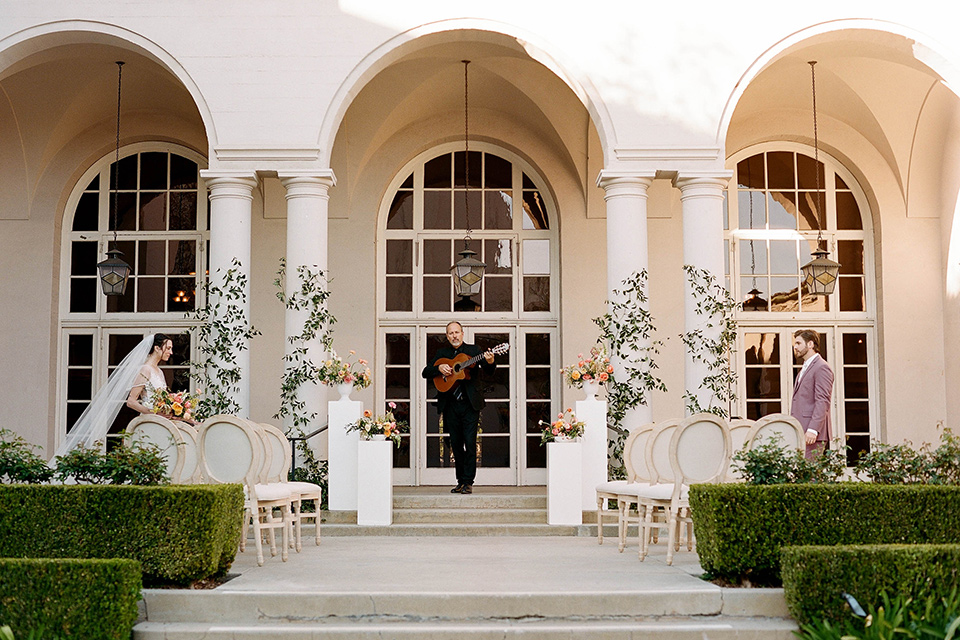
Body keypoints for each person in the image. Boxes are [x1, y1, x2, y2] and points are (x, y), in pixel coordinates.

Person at [421, 321, 496, 494]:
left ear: (462, 333)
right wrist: (439, 368)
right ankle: (460, 481)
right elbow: (426, 372)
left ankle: (468, 482)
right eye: (450, 333)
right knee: (455, 444)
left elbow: (489, 370)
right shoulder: (442, 353)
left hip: (470, 404)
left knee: (470, 443)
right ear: (447, 336)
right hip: (450, 405)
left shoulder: (474, 351)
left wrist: (490, 361)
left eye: (457, 332)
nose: (454, 336)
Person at [790, 329, 834, 459]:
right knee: (803, 476)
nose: (795, 347)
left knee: (811, 477)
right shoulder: (805, 368)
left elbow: (823, 401)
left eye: (798, 343)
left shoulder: (821, 367)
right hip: (801, 430)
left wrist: (813, 429)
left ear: (810, 344)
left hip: (812, 434)